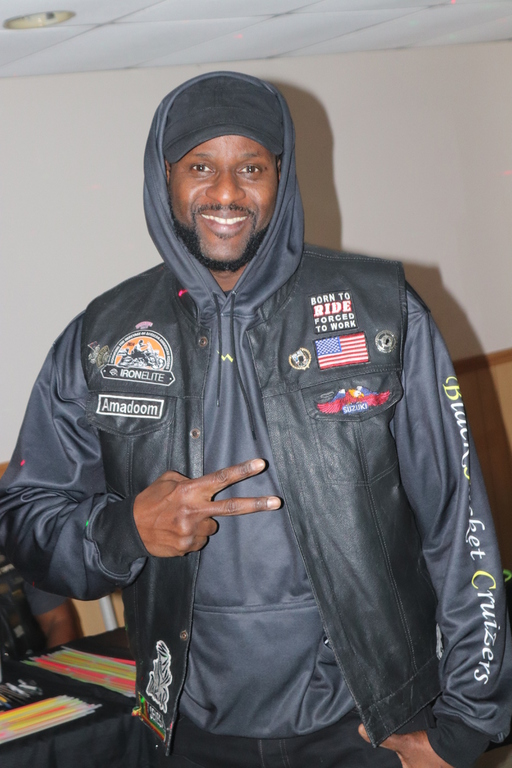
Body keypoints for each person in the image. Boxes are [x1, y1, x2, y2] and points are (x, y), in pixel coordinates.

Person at [0, 72, 510, 768]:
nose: (226, 192)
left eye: (251, 168)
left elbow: (459, 524)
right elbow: (26, 517)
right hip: (187, 731)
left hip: (371, 724)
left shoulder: (382, 312)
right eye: (200, 167)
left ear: (281, 178)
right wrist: (126, 530)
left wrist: (466, 724)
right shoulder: (104, 337)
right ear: (165, 178)